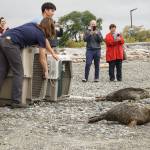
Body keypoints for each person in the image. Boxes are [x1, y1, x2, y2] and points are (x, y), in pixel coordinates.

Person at [0, 18, 59, 108]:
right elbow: (42, 58)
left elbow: (25, 34)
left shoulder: (33, 24)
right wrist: (46, 71)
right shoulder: (41, 35)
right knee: (18, 72)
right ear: (49, 28)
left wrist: (52, 52)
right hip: (11, 43)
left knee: (2, 71)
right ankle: (16, 101)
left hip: (3, 38)